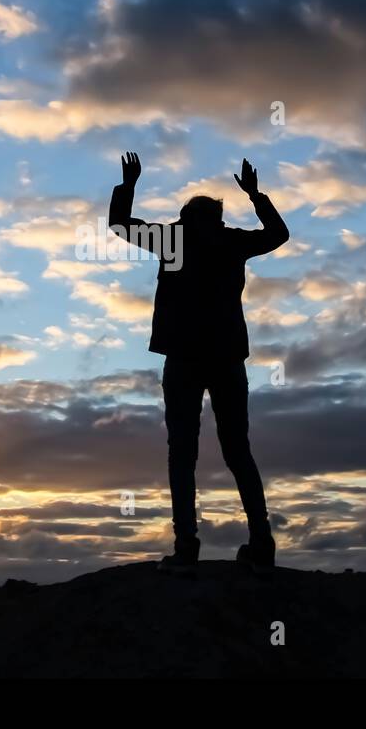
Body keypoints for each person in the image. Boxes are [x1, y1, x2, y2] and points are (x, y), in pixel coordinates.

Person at [108, 152, 289, 573]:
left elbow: (120, 225)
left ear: (185, 218)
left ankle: (187, 545)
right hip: (225, 357)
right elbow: (278, 234)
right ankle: (260, 540)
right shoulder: (231, 241)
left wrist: (130, 185)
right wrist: (257, 196)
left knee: (182, 452)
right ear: (217, 219)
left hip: (186, 358)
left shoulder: (173, 240)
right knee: (236, 450)